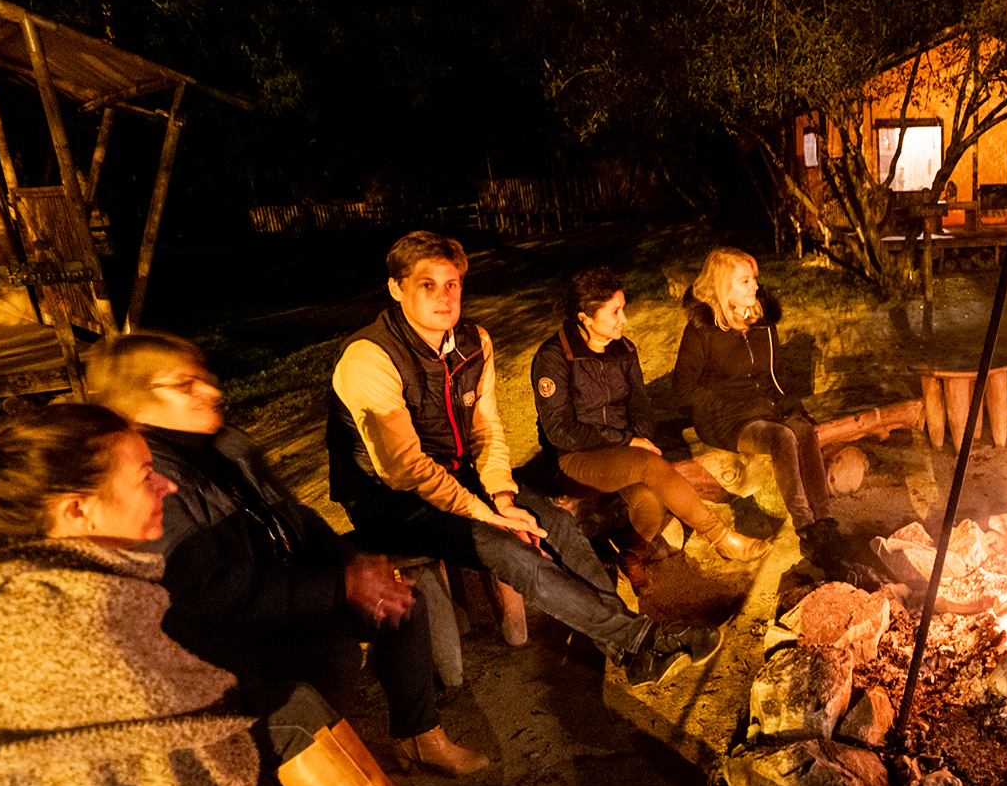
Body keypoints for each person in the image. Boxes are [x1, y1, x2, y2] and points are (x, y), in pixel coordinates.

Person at [87, 331, 490, 777]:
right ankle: (313, 766)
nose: (212, 391)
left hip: (293, 593)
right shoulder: (150, 478)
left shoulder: (225, 446)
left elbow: (295, 516)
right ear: (132, 402)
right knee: (329, 655)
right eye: (186, 385)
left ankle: (420, 737)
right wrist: (340, 587)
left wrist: (351, 564)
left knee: (401, 601)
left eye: (205, 378)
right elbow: (208, 596)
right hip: (235, 636)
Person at [328, 230, 718, 687]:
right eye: (427, 284)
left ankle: (631, 646)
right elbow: (404, 469)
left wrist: (501, 494)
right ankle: (637, 642)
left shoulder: (474, 343)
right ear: (397, 288)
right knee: (509, 549)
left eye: (451, 283)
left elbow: (487, 430)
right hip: (387, 499)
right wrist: (486, 514)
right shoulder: (370, 357)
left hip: (458, 476)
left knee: (559, 525)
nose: (444, 297)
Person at [0, 403, 259, 786]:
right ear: (78, 510)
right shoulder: (59, 619)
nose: (169, 485)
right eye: (146, 477)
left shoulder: (42, 583)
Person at [534, 268, 770, 592]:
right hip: (577, 457)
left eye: (623, 309)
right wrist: (628, 441)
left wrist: (640, 435)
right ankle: (721, 537)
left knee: (649, 504)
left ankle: (631, 556)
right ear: (585, 318)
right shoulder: (554, 358)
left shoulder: (624, 349)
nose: (624, 320)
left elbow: (641, 404)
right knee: (649, 466)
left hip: (626, 452)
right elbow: (560, 430)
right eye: (615, 312)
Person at [674, 248, 837, 546]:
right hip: (723, 419)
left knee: (802, 430)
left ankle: (825, 519)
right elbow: (683, 390)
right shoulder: (702, 330)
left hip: (762, 409)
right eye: (745, 281)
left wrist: (792, 406)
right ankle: (806, 527)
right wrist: (722, 403)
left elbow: (776, 375)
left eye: (755, 279)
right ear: (725, 288)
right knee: (782, 437)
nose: (756, 286)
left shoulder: (761, 322)